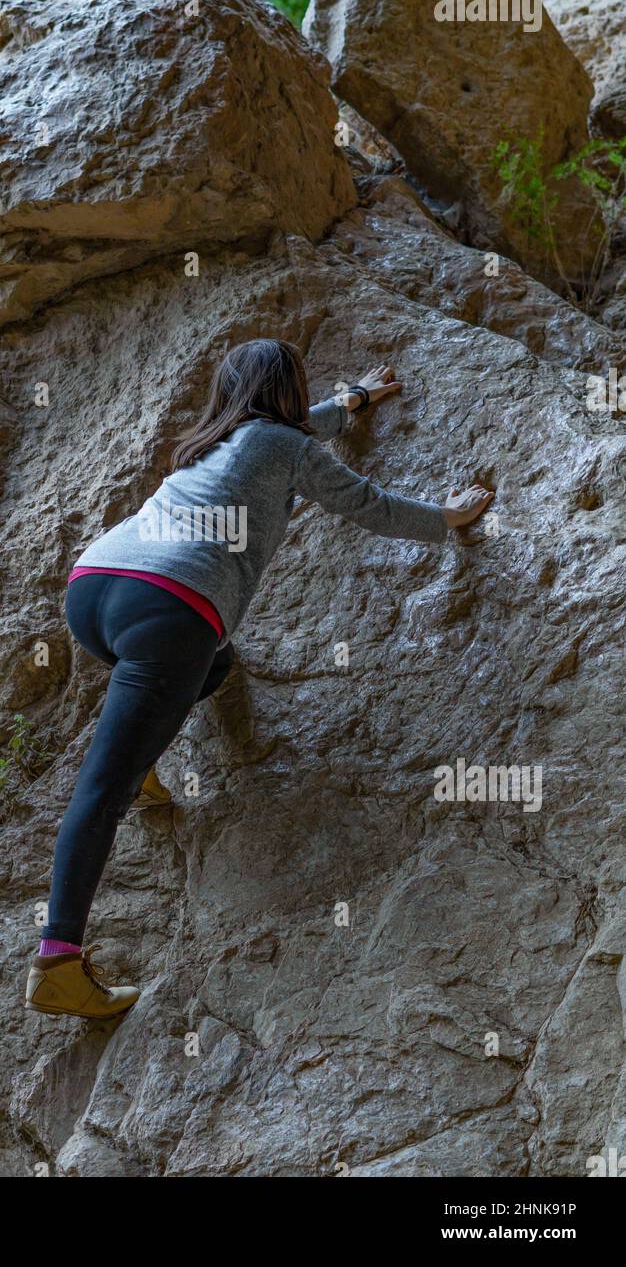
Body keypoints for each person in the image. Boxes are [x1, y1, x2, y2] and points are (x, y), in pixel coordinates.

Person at [25, 339, 494, 1019]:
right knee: (103, 788)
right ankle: (57, 961)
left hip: (97, 589)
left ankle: (141, 759)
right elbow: (363, 502)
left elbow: (295, 435)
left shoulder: (216, 441)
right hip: (168, 608)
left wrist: (355, 401)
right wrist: (446, 519)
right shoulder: (278, 445)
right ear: (288, 388)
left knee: (214, 664)